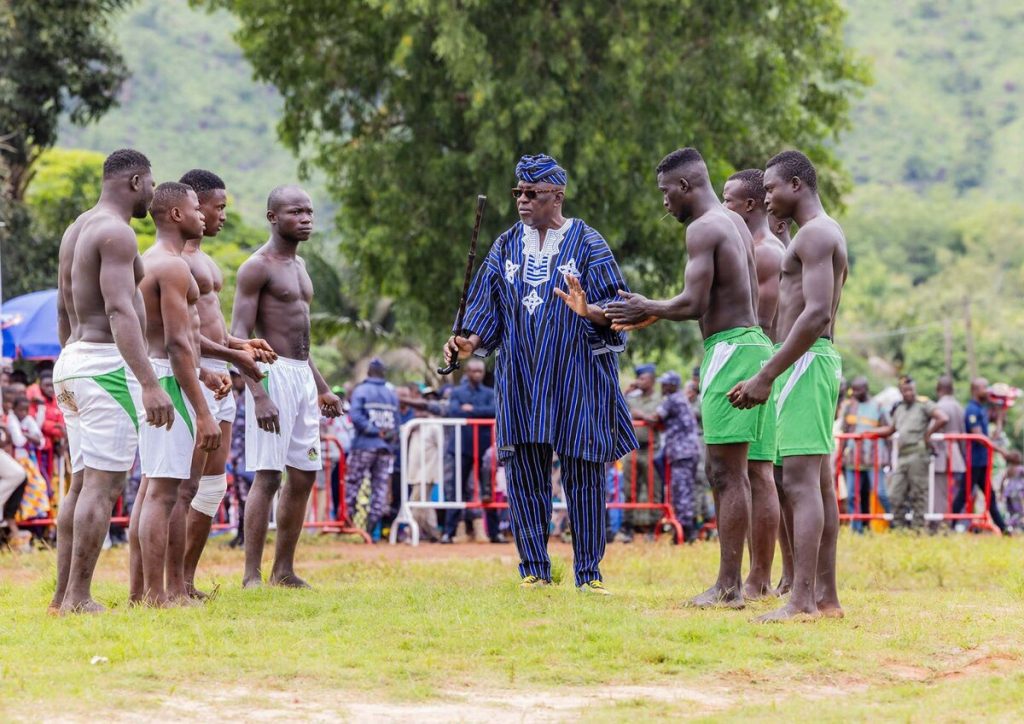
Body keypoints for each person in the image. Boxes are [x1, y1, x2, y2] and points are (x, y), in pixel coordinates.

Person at [443, 153, 637, 594]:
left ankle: (589, 573)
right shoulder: (505, 245)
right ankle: (534, 568)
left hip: (577, 379)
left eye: (532, 193)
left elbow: (621, 310)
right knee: (523, 472)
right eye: (518, 193)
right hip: (520, 379)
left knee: (584, 473)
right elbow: (483, 313)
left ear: (557, 196)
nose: (522, 200)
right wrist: (467, 342)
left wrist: (591, 311)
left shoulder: (588, 242)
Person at [606, 148, 769, 609]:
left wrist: (647, 306)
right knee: (752, 471)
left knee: (725, 471)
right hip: (752, 343)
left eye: (665, 193)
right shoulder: (734, 222)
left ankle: (728, 588)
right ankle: (746, 582)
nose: (664, 204)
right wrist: (650, 314)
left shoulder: (702, 227)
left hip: (732, 348)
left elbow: (694, 302)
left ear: (684, 187)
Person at [50, 149, 176, 614]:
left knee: (82, 484)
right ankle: (79, 597)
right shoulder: (117, 232)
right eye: (151, 183)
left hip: (74, 360)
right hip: (104, 366)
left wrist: (72, 359)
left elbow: (65, 307)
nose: (153, 192)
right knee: (103, 486)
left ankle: (63, 596)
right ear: (136, 181)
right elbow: (122, 309)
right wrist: (148, 381)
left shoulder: (77, 228)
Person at [728, 149, 848, 622]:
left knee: (798, 484)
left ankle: (801, 601)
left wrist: (766, 373)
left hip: (806, 363)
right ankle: (826, 597)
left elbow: (816, 313)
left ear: (796, 185)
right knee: (815, 484)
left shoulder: (815, 235)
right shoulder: (820, 233)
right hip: (810, 363)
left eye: (773, 188)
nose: (767, 196)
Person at [166, 169, 276, 600]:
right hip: (196, 375)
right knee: (184, 486)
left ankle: (188, 581)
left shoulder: (206, 261)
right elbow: (184, 335)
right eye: (217, 207)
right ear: (193, 207)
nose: (221, 216)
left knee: (213, 487)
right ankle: (170, 583)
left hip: (220, 376)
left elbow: (209, 325)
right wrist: (233, 357)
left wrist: (240, 343)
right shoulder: (178, 262)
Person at [232, 185, 342, 588]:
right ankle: (251, 575)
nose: (306, 219)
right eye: (296, 212)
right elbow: (239, 336)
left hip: (299, 376)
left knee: (305, 473)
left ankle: (284, 570)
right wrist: (256, 393)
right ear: (272, 217)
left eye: (309, 212)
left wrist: (323, 388)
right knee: (268, 476)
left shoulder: (301, 267)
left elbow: (301, 341)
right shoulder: (256, 267)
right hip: (270, 373)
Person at [128, 182, 224, 607]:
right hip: (166, 377)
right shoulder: (171, 267)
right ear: (175, 216)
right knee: (166, 492)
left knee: (153, 489)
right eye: (195, 209)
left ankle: (142, 592)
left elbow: (178, 340)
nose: (203, 215)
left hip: (164, 373)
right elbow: (178, 344)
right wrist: (203, 412)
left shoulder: (150, 261)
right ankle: (158, 595)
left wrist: (203, 372)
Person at [722, 168, 785, 599]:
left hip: (760, 364)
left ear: (749, 205)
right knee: (758, 473)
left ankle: (758, 578)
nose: (721, 209)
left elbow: (757, 324)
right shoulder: (754, 249)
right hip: (762, 363)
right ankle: (765, 578)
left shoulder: (764, 253)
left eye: (727, 201)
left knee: (757, 473)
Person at [440, 357, 502, 544]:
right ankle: (448, 533)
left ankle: (494, 533)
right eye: (473, 371)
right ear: (467, 372)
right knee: (456, 490)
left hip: (484, 448)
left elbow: (494, 411)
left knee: (487, 491)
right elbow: (453, 411)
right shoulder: (457, 392)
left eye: (480, 371)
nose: (477, 374)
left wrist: (471, 409)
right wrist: (477, 410)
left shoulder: (490, 393)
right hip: (461, 447)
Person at [874, 376, 948, 530]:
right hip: (902, 456)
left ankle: (917, 530)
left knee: (918, 494)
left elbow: (943, 418)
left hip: (918, 454)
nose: (908, 393)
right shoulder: (899, 408)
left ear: (915, 389)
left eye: (911, 390)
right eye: (905, 390)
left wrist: (928, 435)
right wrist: (870, 432)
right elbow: (890, 429)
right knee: (895, 493)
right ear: (901, 392)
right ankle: (900, 529)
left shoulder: (923, 405)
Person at [952, 378, 1019, 533]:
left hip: (982, 461)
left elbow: (991, 437)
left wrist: (1001, 415)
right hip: (973, 461)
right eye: (984, 387)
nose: (987, 390)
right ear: (975, 390)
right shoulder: (972, 410)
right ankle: (951, 524)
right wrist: (1003, 452)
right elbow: (979, 438)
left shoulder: (982, 409)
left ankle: (1003, 529)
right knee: (964, 494)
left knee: (990, 496)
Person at [345, 358, 399, 537]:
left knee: (354, 482)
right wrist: (386, 435)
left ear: (368, 372)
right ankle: (370, 529)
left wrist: (373, 430)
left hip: (364, 446)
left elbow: (356, 416)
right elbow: (396, 422)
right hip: (385, 448)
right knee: (380, 487)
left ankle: (349, 526)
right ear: (384, 373)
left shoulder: (361, 390)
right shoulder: (391, 394)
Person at [648, 371, 699, 541]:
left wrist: (637, 414)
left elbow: (654, 418)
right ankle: (686, 528)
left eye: (664, 384)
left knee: (681, 490)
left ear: (672, 385)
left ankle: (685, 531)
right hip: (687, 450)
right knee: (684, 489)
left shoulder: (673, 400)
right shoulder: (680, 399)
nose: (661, 387)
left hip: (682, 452)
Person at [839, 377, 892, 532]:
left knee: (880, 493)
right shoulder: (850, 407)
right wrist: (840, 457)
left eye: (858, 390)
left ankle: (894, 521)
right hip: (852, 459)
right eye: (853, 390)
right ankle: (857, 529)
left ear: (866, 389)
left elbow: (889, 429)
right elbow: (845, 432)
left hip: (873, 459)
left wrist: (871, 433)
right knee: (851, 496)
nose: (855, 393)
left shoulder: (878, 406)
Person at [623, 363, 661, 539]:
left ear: (652, 380)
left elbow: (657, 419)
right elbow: (616, 406)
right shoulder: (633, 399)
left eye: (642, 378)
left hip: (651, 449)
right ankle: (628, 527)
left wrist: (641, 416)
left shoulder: (660, 399)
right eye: (638, 378)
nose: (639, 381)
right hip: (632, 449)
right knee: (629, 487)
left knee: (654, 488)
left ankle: (654, 527)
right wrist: (627, 391)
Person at [933, 376, 966, 520]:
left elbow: (932, 432)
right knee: (951, 491)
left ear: (938, 389)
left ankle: (940, 522)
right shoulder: (958, 406)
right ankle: (948, 520)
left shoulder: (939, 407)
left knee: (939, 491)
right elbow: (963, 433)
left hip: (941, 454)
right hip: (956, 454)